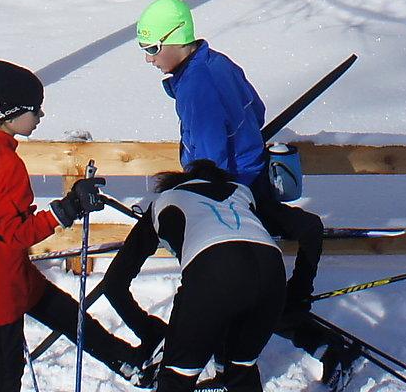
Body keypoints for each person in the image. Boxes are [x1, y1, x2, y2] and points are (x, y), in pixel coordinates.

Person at [135, 0, 359, 388]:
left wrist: (190, 198)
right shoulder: (218, 62)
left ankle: (230, 366)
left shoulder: (195, 89)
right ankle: (291, 342)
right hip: (252, 183)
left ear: (175, 39)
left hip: (232, 197)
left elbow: (209, 163)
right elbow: (255, 110)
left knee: (230, 282)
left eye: (152, 49)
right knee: (254, 282)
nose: (149, 60)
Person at [0, 59, 151, 392]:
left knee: (68, 315)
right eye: (36, 110)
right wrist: (67, 209)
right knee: (6, 367)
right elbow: (17, 233)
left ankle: (128, 362)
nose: (40, 117)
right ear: (12, 112)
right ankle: (127, 362)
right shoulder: (6, 163)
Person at [97, 161, 286, 392]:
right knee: (240, 370)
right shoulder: (242, 193)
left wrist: (152, 332)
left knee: (177, 378)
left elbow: (113, 283)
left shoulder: (164, 201)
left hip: (214, 270)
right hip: (273, 273)